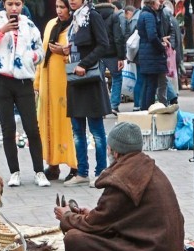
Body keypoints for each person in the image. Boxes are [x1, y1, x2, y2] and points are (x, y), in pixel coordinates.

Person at [54, 121, 185, 251]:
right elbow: (123, 216)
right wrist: (91, 214)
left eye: (109, 148)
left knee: (73, 239)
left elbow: (94, 225)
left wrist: (67, 216)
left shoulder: (122, 178)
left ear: (115, 152)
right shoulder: (150, 168)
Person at [0, 0, 50, 187]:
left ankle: (39, 171)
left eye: (17, 4)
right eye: (10, 4)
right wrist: (2, 30)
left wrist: (30, 57)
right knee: (8, 129)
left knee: (32, 128)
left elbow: (40, 52)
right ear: (4, 5)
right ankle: (14, 172)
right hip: (0, 80)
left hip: (24, 80)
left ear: (22, 4)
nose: (14, 8)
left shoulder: (29, 25)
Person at [64, 0, 111, 187]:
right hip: (75, 79)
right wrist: (65, 50)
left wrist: (85, 63)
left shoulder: (93, 16)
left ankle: (101, 172)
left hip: (89, 79)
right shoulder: (74, 19)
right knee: (77, 130)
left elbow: (103, 45)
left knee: (96, 130)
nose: (72, 1)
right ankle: (82, 172)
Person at [34, 0, 77, 182]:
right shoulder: (51, 25)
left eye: (63, 7)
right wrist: (37, 82)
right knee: (48, 122)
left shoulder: (75, 27)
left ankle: (75, 166)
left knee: (67, 123)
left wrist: (65, 52)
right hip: (47, 83)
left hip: (66, 83)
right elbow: (42, 54)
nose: (59, 11)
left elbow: (81, 53)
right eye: (57, 7)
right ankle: (53, 165)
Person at [137, 0, 169, 110]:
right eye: (157, 1)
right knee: (151, 85)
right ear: (151, 3)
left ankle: (144, 109)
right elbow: (152, 36)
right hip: (152, 54)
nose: (160, 3)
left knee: (147, 83)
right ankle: (147, 109)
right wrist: (161, 46)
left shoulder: (143, 14)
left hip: (146, 53)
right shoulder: (149, 16)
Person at [94, 0, 125, 115]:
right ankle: (114, 105)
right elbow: (118, 36)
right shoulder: (114, 15)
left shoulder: (93, 14)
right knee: (117, 78)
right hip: (112, 54)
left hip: (98, 53)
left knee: (99, 79)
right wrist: (121, 56)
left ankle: (101, 107)